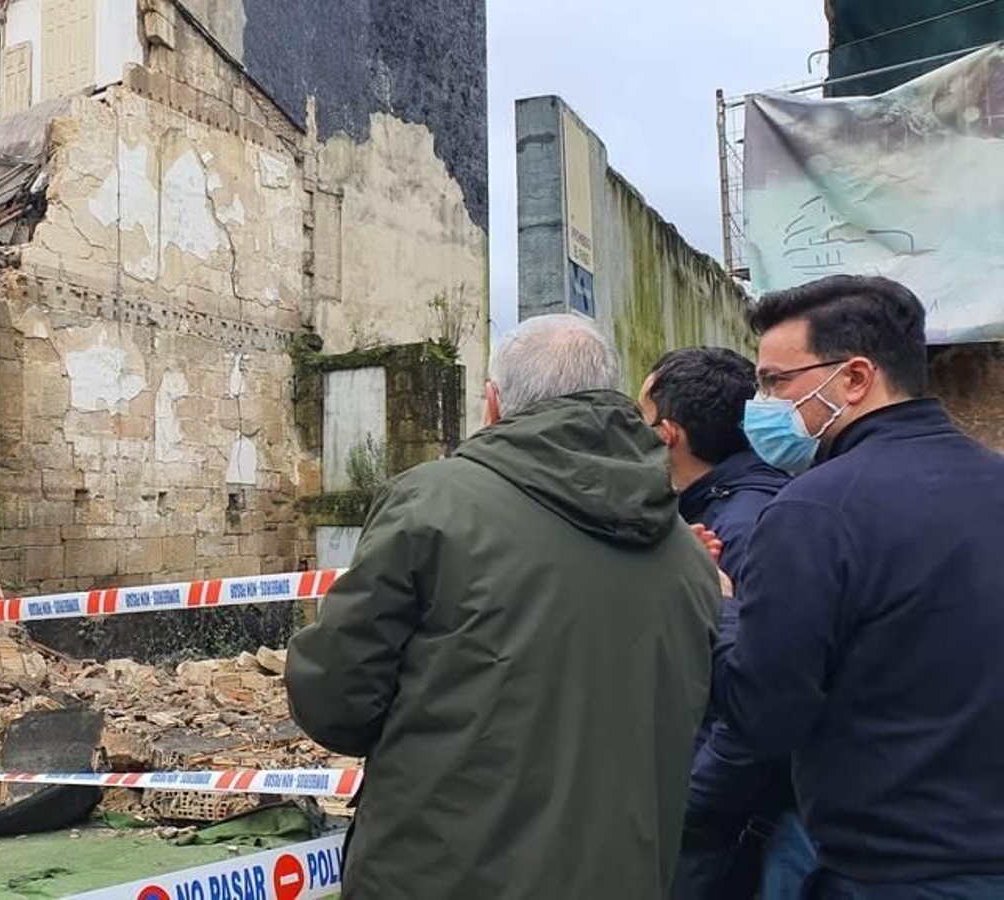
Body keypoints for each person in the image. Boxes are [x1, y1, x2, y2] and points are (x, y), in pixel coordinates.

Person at [286, 314, 721, 899]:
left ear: (492, 403)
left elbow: (336, 696)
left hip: (444, 871)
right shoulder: (687, 551)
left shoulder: (433, 503)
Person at [713, 275, 1004, 897]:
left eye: (776, 382)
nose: (761, 404)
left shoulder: (813, 512)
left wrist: (723, 608)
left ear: (853, 378)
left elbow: (764, 717)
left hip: (888, 869)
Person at [638, 348, 805, 900]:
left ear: (669, 435)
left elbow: (757, 702)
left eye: (640, 420)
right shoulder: (728, 506)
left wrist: (690, 805)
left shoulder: (744, 528)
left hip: (728, 828)